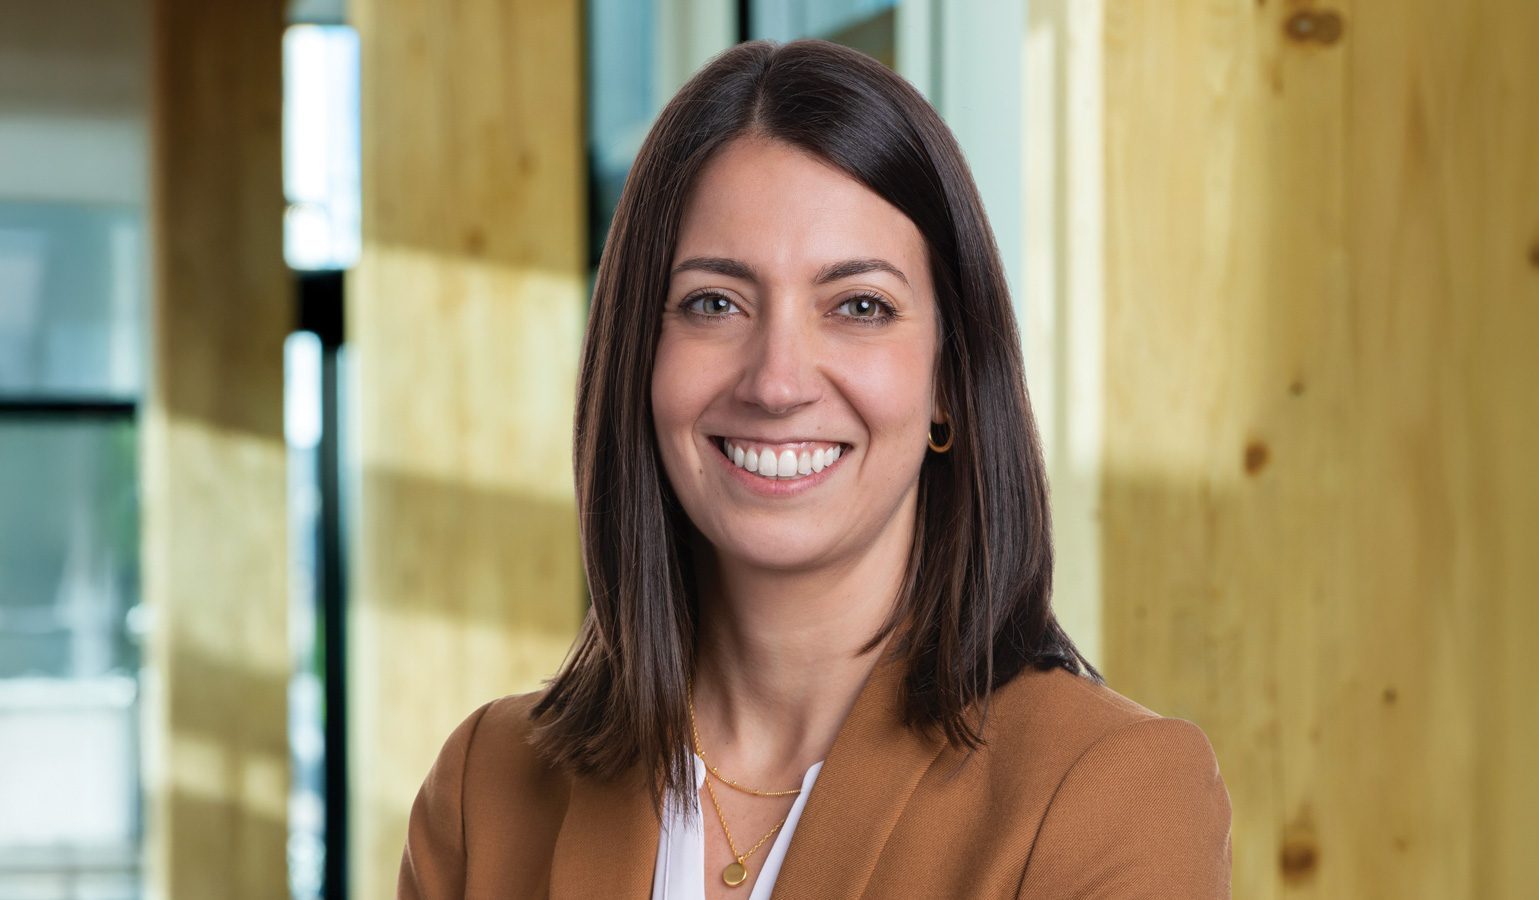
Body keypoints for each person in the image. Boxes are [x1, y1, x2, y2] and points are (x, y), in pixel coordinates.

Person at [397, 38, 1231, 900]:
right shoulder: (485, 788)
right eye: (714, 303)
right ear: (639, 359)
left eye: (859, 307)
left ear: (949, 375)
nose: (777, 381)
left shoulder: (1110, 792)